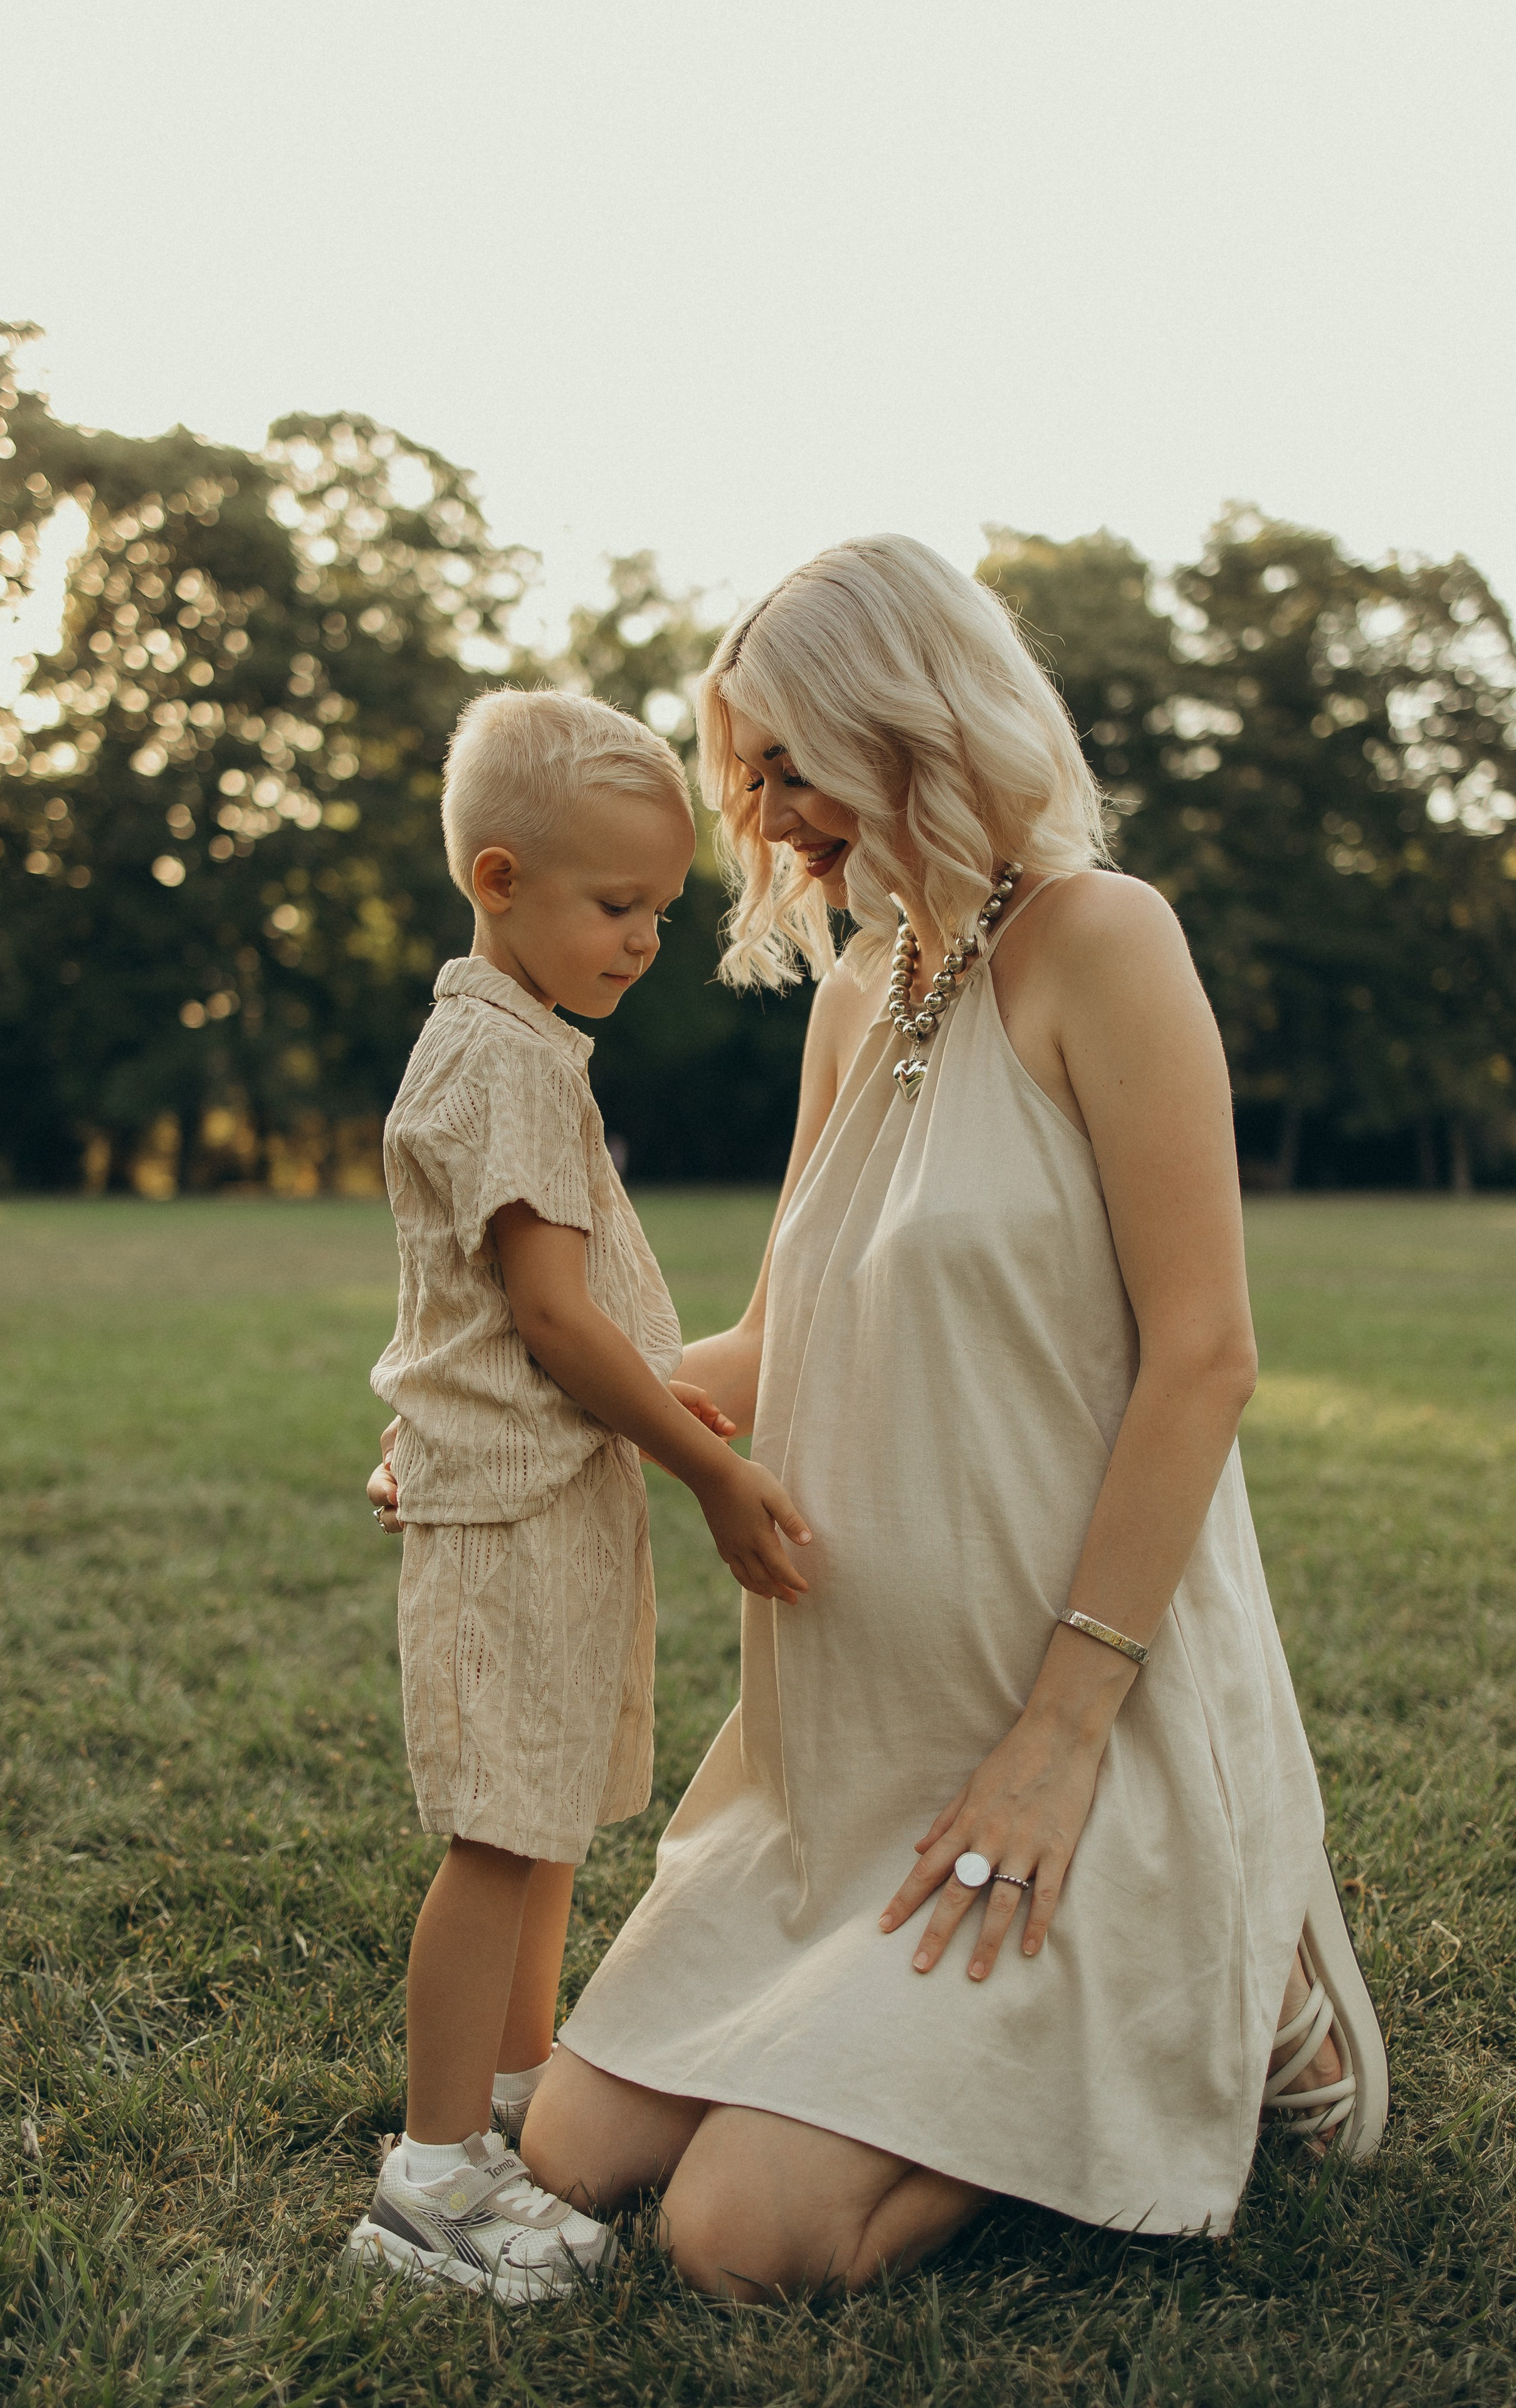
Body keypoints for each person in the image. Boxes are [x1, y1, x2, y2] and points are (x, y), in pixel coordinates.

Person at [520, 537, 1390, 2298]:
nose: (764, 817)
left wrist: (1061, 1732)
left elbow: (1206, 1352)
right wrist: (510, 1426)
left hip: (1070, 1735)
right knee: (571, 2148)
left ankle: (1235, 1991)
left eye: (787, 764)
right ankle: (911, 2043)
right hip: (852, 1751)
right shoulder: (859, 993)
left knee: (736, 2235)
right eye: (744, 772)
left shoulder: (1105, 942)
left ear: (909, 718)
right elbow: (779, 1332)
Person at [346, 689, 811, 2303]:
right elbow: (546, 1319)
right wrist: (712, 1466)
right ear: (497, 878)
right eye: (615, 908)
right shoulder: (501, 1060)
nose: (643, 940)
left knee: (543, 1820)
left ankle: (516, 2093)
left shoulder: (524, 1043)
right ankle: (428, 2173)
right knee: (496, 1837)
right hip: (513, 1512)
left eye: (661, 912)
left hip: (557, 1497)